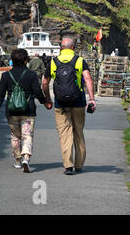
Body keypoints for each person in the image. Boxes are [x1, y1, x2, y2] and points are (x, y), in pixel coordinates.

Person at [0, 49, 52, 173]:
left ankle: (18, 161)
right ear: (26, 60)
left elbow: (0, 94)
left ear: (12, 60)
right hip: (28, 110)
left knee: (15, 136)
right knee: (27, 135)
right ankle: (26, 157)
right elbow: (37, 91)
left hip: (12, 111)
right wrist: (45, 102)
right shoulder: (31, 75)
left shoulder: (6, 75)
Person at [42, 38, 96, 175]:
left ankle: (68, 165)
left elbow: (44, 83)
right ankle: (79, 165)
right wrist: (92, 99)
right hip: (78, 101)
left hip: (61, 103)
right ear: (73, 47)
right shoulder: (79, 61)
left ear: (61, 48)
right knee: (78, 132)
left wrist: (48, 99)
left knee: (65, 134)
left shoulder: (53, 62)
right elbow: (88, 79)